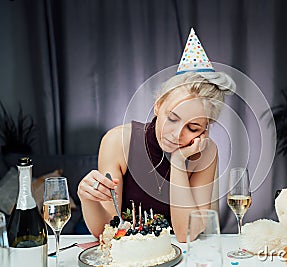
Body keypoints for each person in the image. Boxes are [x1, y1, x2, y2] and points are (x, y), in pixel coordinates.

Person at [77, 29, 236, 242]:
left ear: (206, 129)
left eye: (193, 127)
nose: (177, 134)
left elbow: (185, 234)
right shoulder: (118, 141)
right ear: (158, 106)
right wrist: (87, 199)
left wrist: (179, 163)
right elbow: (107, 232)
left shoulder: (206, 152)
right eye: (172, 118)